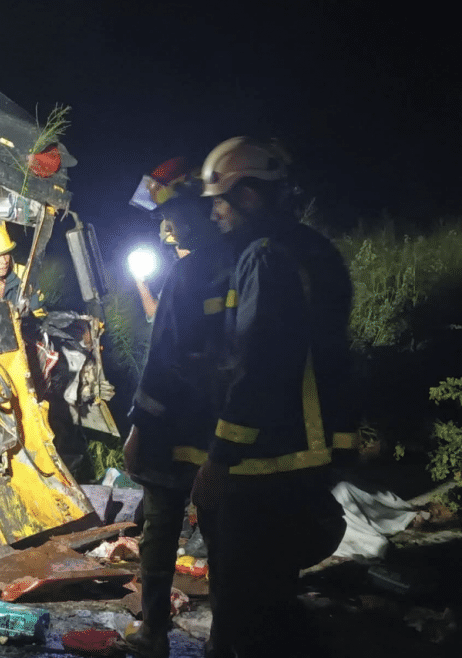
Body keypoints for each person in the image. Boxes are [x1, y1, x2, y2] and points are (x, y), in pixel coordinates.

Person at [191, 137, 356, 658]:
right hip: (309, 455)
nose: (215, 212)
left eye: (221, 199)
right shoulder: (315, 249)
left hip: (265, 462)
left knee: (248, 609)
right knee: (277, 597)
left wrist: (220, 456)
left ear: (250, 197)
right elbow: (337, 356)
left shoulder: (264, 257)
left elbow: (258, 364)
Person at [121, 190, 237, 658]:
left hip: (174, 427)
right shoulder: (244, 264)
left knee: (161, 530)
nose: (167, 229)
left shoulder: (190, 272)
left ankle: (153, 635)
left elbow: (163, 356)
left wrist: (138, 427)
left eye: (171, 217)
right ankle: (223, 641)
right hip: (225, 431)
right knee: (222, 536)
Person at [128, 157, 202, 320]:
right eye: (163, 215)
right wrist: (141, 282)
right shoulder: (181, 271)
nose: (167, 226)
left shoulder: (211, 266)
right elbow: (156, 315)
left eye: (168, 213)